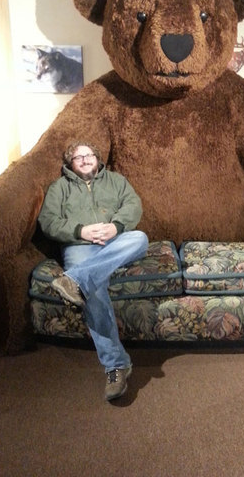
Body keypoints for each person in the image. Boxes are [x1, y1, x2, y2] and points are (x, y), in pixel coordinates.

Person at [38, 141, 148, 401]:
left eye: (89, 155)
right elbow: (48, 221)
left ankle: (75, 280)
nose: (85, 159)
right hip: (79, 246)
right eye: (79, 157)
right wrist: (81, 231)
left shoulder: (116, 181)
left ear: (97, 159)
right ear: (70, 163)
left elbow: (133, 205)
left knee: (140, 238)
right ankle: (116, 366)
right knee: (94, 290)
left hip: (115, 241)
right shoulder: (59, 188)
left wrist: (116, 227)